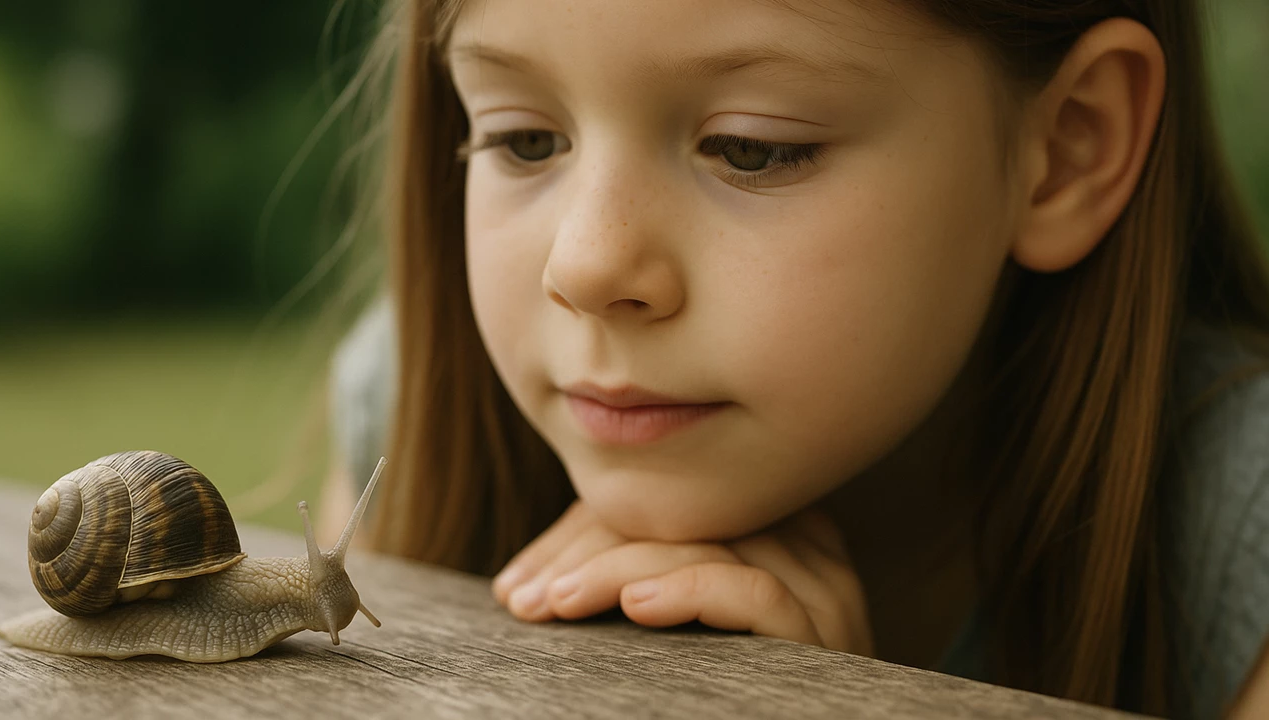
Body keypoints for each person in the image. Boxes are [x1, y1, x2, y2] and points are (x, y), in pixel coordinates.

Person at [317, 1, 1269, 717]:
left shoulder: (1238, 533)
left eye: (753, 148)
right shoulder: (412, 408)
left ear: (1068, 147)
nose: (587, 265)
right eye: (526, 139)